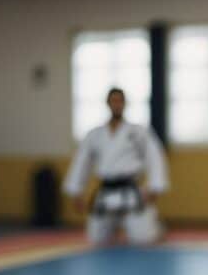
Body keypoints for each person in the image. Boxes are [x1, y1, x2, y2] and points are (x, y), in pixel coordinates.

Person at [63, 88, 168, 245]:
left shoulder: (138, 132)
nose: (117, 104)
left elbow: (154, 157)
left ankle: (154, 225)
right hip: (106, 192)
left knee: (144, 238)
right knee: (96, 238)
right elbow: (82, 162)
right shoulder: (95, 135)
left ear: (125, 104)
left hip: (131, 190)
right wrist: (76, 192)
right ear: (108, 103)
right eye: (114, 101)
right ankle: (114, 227)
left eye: (120, 101)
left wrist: (154, 187)